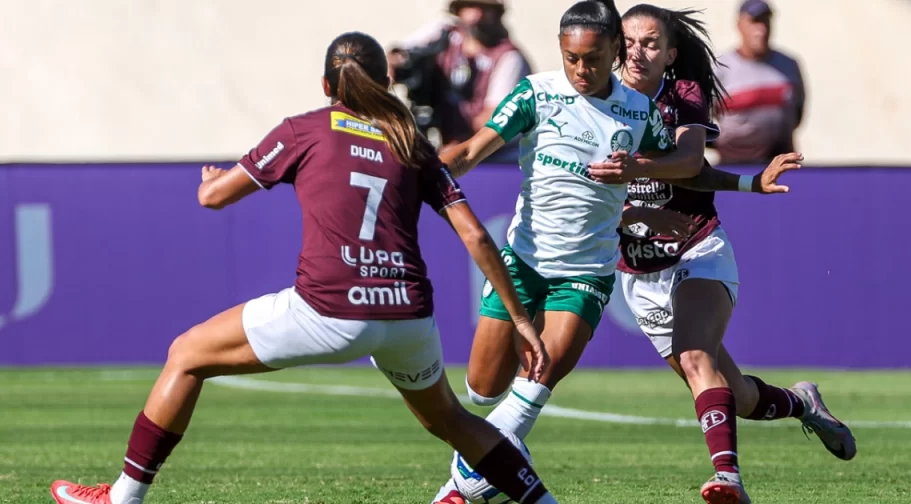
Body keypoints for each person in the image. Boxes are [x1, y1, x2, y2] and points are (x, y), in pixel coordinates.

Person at [48, 31, 561, 504]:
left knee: (185, 355)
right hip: (406, 317)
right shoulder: (410, 141)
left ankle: (123, 497)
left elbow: (214, 198)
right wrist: (520, 321)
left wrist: (209, 181)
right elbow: (474, 234)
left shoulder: (304, 130)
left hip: (329, 311)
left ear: (324, 85)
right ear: (386, 82)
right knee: (450, 419)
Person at [587, 5, 854, 503]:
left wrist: (751, 183)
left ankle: (728, 479)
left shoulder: (683, 93)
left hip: (697, 247)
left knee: (694, 358)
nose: (638, 51)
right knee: (739, 396)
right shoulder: (594, 101)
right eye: (629, 40)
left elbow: (690, 164)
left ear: (670, 54)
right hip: (639, 274)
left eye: (651, 42)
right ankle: (803, 404)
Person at [430, 1, 694, 502]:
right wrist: (413, 177)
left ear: (614, 49)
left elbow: (683, 163)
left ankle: (457, 489)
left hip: (586, 272)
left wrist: (737, 182)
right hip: (521, 264)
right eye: (571, 58)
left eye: (592, 59)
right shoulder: (536, 93)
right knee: (482, 391)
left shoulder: (639, 111)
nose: (581, 69)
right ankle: (504, 459)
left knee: (538, 377)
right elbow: (468, 151)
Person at [389, 0, 532, 161]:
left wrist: (456, 146)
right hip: (450, 146)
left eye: (485, 9)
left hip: (497, 158)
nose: (477, 15)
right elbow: (397, 59)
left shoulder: (509, 57)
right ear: (458, 10)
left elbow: (494, 119)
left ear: (497, 13)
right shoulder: (444, 34)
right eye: (470, 6)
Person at [711, 0, 806, 165]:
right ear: (739, 25)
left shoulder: (789, 66)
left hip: (782, 165)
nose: (761, 29)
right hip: (734, 168)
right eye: (754, 22)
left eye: (766, 22)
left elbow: (797, 114)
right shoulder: (720, 68)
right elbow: (701, 119)